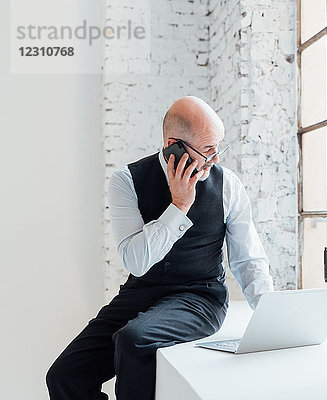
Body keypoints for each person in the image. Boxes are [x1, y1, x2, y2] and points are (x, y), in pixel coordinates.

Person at [46, 96, 274, 400]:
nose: (216, 158)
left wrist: (271, 316)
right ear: (173, 145)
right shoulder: (125, 181)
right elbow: (137, 263)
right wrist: (179, 206)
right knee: (64, 376)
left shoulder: (227, 185)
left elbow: (248, 258)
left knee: (134, 340)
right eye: (208, 149)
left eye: (219, 147)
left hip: (200, 296)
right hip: (139, 291)